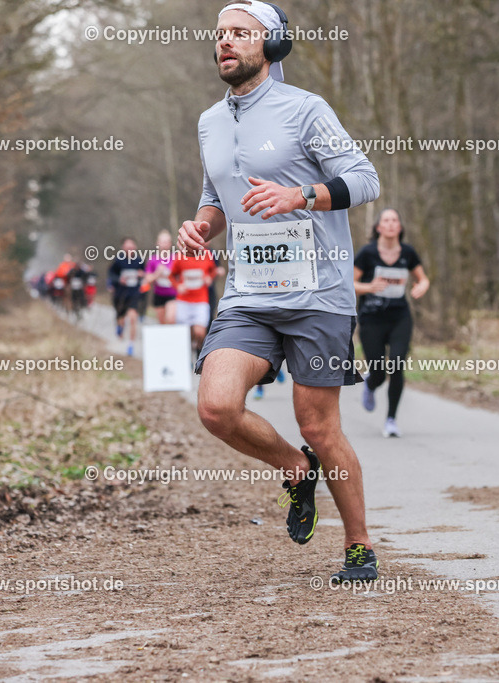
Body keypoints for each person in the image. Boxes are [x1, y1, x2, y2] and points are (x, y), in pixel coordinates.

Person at [178, 0, 381, 583]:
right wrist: (201, 226)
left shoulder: (305, 109)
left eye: (240, 33)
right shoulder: (209, 122)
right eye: (220, 35)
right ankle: (296, 469)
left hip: (318, 290)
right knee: (216, 407)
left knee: (320, 425)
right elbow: (216, 197)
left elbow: (366, 180)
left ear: (271, 44)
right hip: (249, 292)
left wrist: (302, 196)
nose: (226, 43)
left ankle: (360, 546)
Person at [353, 209, 430, 437]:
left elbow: (423, 278)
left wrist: (421, 287)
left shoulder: (408, 252)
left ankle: (391, 420)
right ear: (378, 227)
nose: (390, 224)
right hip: (371, 318)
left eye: (395, 220)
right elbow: (350, 282)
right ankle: (371, 384)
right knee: (377, 371)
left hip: (399, 317)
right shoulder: (367, 253)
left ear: (400, 227)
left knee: (396, 364)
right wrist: (369, 288)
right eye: (386, 220)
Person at [170, 247, 217, 355]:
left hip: (201, 300)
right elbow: (171, 275)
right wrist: (178, 286)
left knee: (200, 332)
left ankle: (199, 353)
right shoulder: (181, 256)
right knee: (187, 332)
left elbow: (213, 270)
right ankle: (189, 352)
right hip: (184, 301)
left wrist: (210, 277)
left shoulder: (207, 254)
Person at [107, 237, 147, 356]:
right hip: (120, 294)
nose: (130, 249)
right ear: (123, 248)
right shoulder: (118, 261)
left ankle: (131, 345)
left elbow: (145, 275)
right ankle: (120, 325)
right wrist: (119, 279)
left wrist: (142, 275)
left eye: (132, 247)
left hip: (134, 293)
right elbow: (111, 274)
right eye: (128, 247)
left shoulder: (139, 261)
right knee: (121, 317)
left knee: (133, 318)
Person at [143, 230, 178, 324]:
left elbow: (182, 276)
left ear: (170, 244)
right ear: (157, 243)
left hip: (173, 295)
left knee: (170, 318)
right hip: (159, 295)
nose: (164, 244)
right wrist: (157, 273)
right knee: (162, 323)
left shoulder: (176, 258)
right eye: (162, 241)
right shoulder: (152, 260)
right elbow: (147, 279)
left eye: (167, 241)